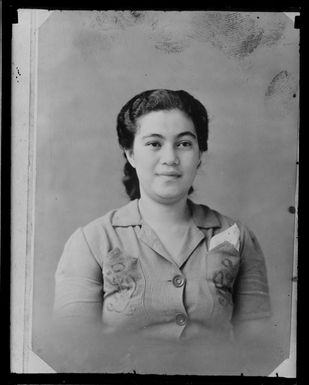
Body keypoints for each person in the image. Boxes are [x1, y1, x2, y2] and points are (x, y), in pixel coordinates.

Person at [52, 89, 278, 374]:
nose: (170, 158)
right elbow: (71, 355)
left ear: (199, 154)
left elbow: (258, 351)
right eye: (154, 144)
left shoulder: (237, 236)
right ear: (131, 154)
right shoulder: (92, 241)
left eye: (184, 143)